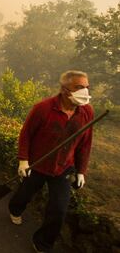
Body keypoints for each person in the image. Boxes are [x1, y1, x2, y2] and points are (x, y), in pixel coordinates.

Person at [8, 70, 94, 252]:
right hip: (38, 164)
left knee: (59, 209)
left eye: (86, 87)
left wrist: (81, 171)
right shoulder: (43, 108)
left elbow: (85, 144)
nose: (84, 91)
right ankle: (15, 209)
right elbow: (26, 134)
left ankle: (42, 243)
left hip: (63, 168)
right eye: (79, 87)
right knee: (24, 194)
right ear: (64, 89)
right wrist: (23, 160)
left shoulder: (87, 112)